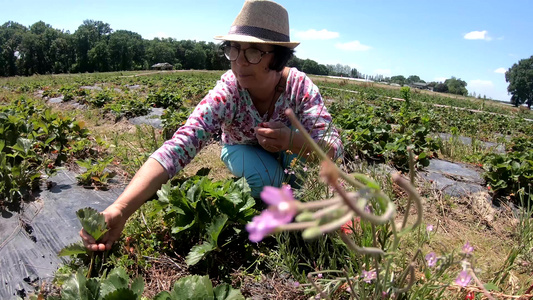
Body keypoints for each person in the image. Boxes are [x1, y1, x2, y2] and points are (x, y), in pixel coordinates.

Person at [81, 0, 343, 251]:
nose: (239, 62)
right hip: (240, 149)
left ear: (278, 57)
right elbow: (180, 145)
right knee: (270, 183)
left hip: (290, 152)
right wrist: (121, 208)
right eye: (233, 49)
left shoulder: (299, 87)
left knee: (310, 182)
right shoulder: (228, 93)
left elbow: (334, 149)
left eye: (253, 52)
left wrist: (290, 141)